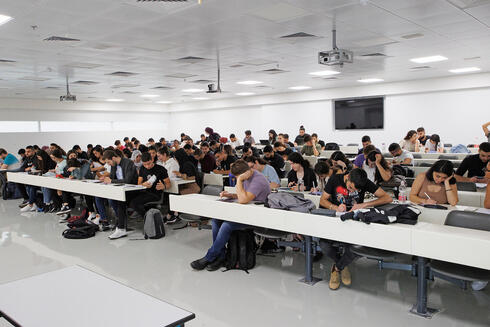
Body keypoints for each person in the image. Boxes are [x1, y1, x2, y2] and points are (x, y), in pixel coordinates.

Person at [319, 168, 392, 290]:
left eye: (355, 190)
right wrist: (334, 207)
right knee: (323, 244)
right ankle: (343, 265)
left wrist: (364, 205)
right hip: (335, 222)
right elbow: (323, 200)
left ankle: (337, 268)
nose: (351, 190)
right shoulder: (334, 179)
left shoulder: (364, 181)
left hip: (354, 223)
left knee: (357, 247)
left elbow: (387, 198)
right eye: (350, 187)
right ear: (347, 177)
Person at [190, 160, 270, 271]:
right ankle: (221, 256)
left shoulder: (258, 180)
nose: (238, 179)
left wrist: (239, 180)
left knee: (227, 225)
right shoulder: (247, 176)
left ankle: (210, 256)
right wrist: (231, 195)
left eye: (238, 177)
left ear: (244, 173)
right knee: (215, 221)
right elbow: (245, 195)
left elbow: (243, 199)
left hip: (257, 218)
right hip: (246, 213)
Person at [102, 149, 139, 239]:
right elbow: (112, 177)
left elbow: (128, 181)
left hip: (132, 190)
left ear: (114, 158)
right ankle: (119, 223)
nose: (109, 164)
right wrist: (105, 179)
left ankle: (121, 228)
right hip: (120, 190)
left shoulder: (128, 163)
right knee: (100, 197)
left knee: (120, 200)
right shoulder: (114, 165)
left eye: (109, 162)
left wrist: (111, 180)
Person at [129, 152, 171, 221]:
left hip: (155, 194)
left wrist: (164, 186)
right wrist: (143, 184)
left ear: (152, 160)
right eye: (145, 164)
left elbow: (169, 184)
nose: (147, 166)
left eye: (148, 164)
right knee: (127, 198)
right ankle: (149, 217)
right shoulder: (142, 168)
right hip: (144, 192)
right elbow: (139, 183)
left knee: (134, 203)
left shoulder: (161, 169)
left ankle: (149, 219)